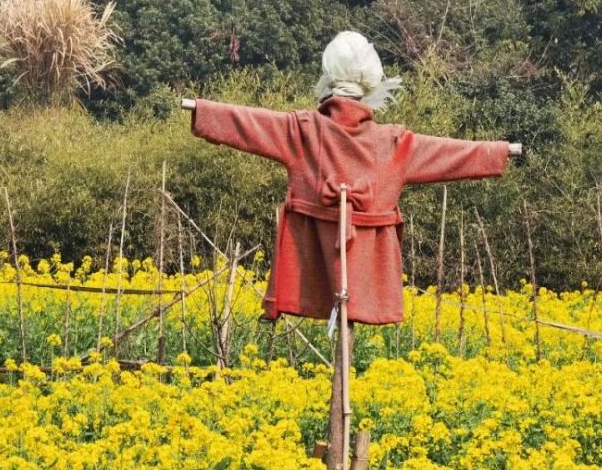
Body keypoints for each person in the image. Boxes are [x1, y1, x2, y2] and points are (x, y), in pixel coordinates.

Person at [184, 30, 521, 327]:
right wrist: (499, 150)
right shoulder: (393, 143)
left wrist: (200, 109)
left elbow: (245, 122)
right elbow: (455, 153)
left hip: (309, 262)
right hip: (369, 269)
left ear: (329, 82)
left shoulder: (302, 130)